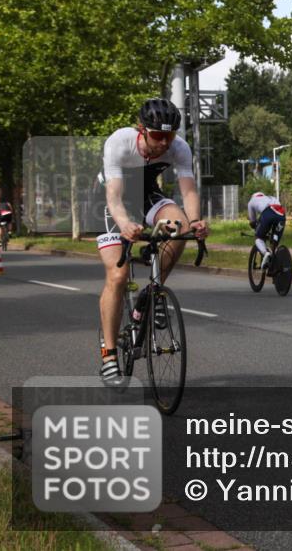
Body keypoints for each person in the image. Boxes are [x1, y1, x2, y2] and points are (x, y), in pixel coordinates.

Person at [96, 98, 208, 383]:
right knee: (118, 275)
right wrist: (124, 225)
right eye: (157, 135)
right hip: (114, 201)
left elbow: (189, 190)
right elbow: (114, 197)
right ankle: (109, 355)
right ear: (141, 129)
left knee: (180, 224)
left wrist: (195, 223)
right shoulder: (119, 143)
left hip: (147, 195)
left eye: (169, 136)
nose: (164, 143)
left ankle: (154, 291)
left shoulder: (179, 147)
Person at [247, 191, 285, 269]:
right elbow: (277, 208)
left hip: (268, 213)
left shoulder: (251, 201)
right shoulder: (270, 197)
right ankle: (274, 263)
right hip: (281, 214)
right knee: (274, 240)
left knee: (259, 237)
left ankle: (265, 253)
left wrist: (255, 228)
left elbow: (252, 221)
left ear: (253, 196)